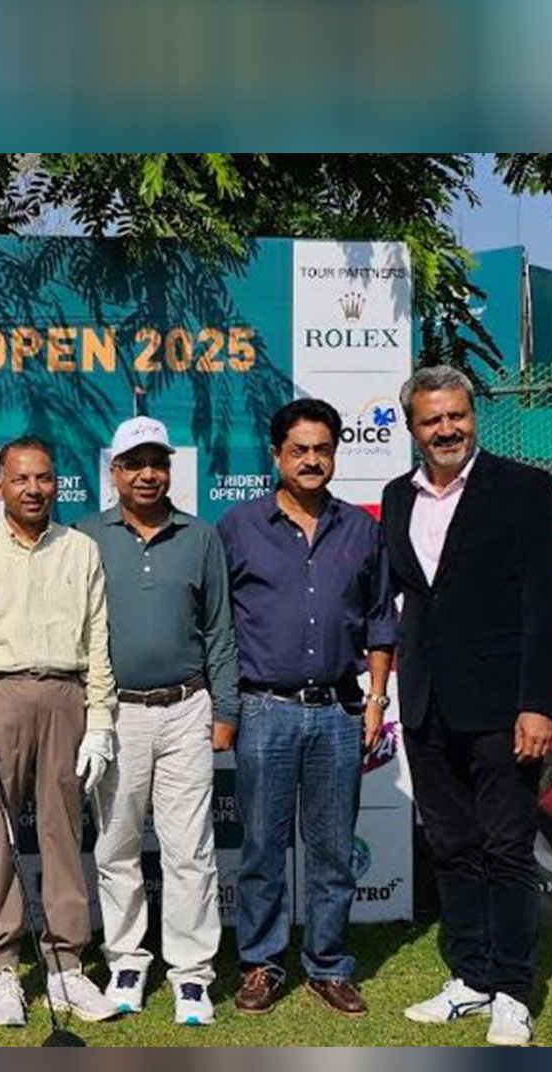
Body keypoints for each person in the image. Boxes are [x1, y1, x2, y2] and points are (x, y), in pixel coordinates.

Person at [382, 366, 552, 1047]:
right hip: (428, 704)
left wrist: (540, 705)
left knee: (505, 850)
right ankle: (471, 977)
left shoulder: (524, 489)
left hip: (504, 707)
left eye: (456, 415)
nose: (446, 429)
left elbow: (547, 606)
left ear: (472, 416)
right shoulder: (396, 496)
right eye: (431, 420)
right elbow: (410, 600)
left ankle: (514, 991)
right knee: (453, 848)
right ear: (411, 427)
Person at [217, 398, 394, 1019]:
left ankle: (328, 964)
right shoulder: (238, 527)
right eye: (300, 450)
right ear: (276, 456)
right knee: (263, 847)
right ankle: (262, 964)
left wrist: (376, 700)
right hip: (264, 709)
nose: (312, 460)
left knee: (331, 849)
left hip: (341, 712)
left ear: (336, 453)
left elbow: (379, 620)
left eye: (323, 449)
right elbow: (215, 625)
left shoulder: (362, 530)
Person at [0, 434, 119, 1028]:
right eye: (21, 479)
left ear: (56, 483)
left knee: (65, 835)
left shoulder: (82, 550)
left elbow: (98, 642)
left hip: (67, 696)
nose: (33, 489)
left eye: (43, 478)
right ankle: (4, 971)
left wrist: (100, 720)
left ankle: (67, 966)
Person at [74, 417, 238, 1026]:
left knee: (190, 849)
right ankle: (126, 960)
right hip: (115, 713)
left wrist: (226, 711)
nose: (148, 474)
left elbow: (220, 629)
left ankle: (192, 974)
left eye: (158, 462)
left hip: (188, 707)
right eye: (135, 463)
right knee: (116, 844)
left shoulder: (201, 537)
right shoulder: (86, 535)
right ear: (114, 471)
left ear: (170, 469)